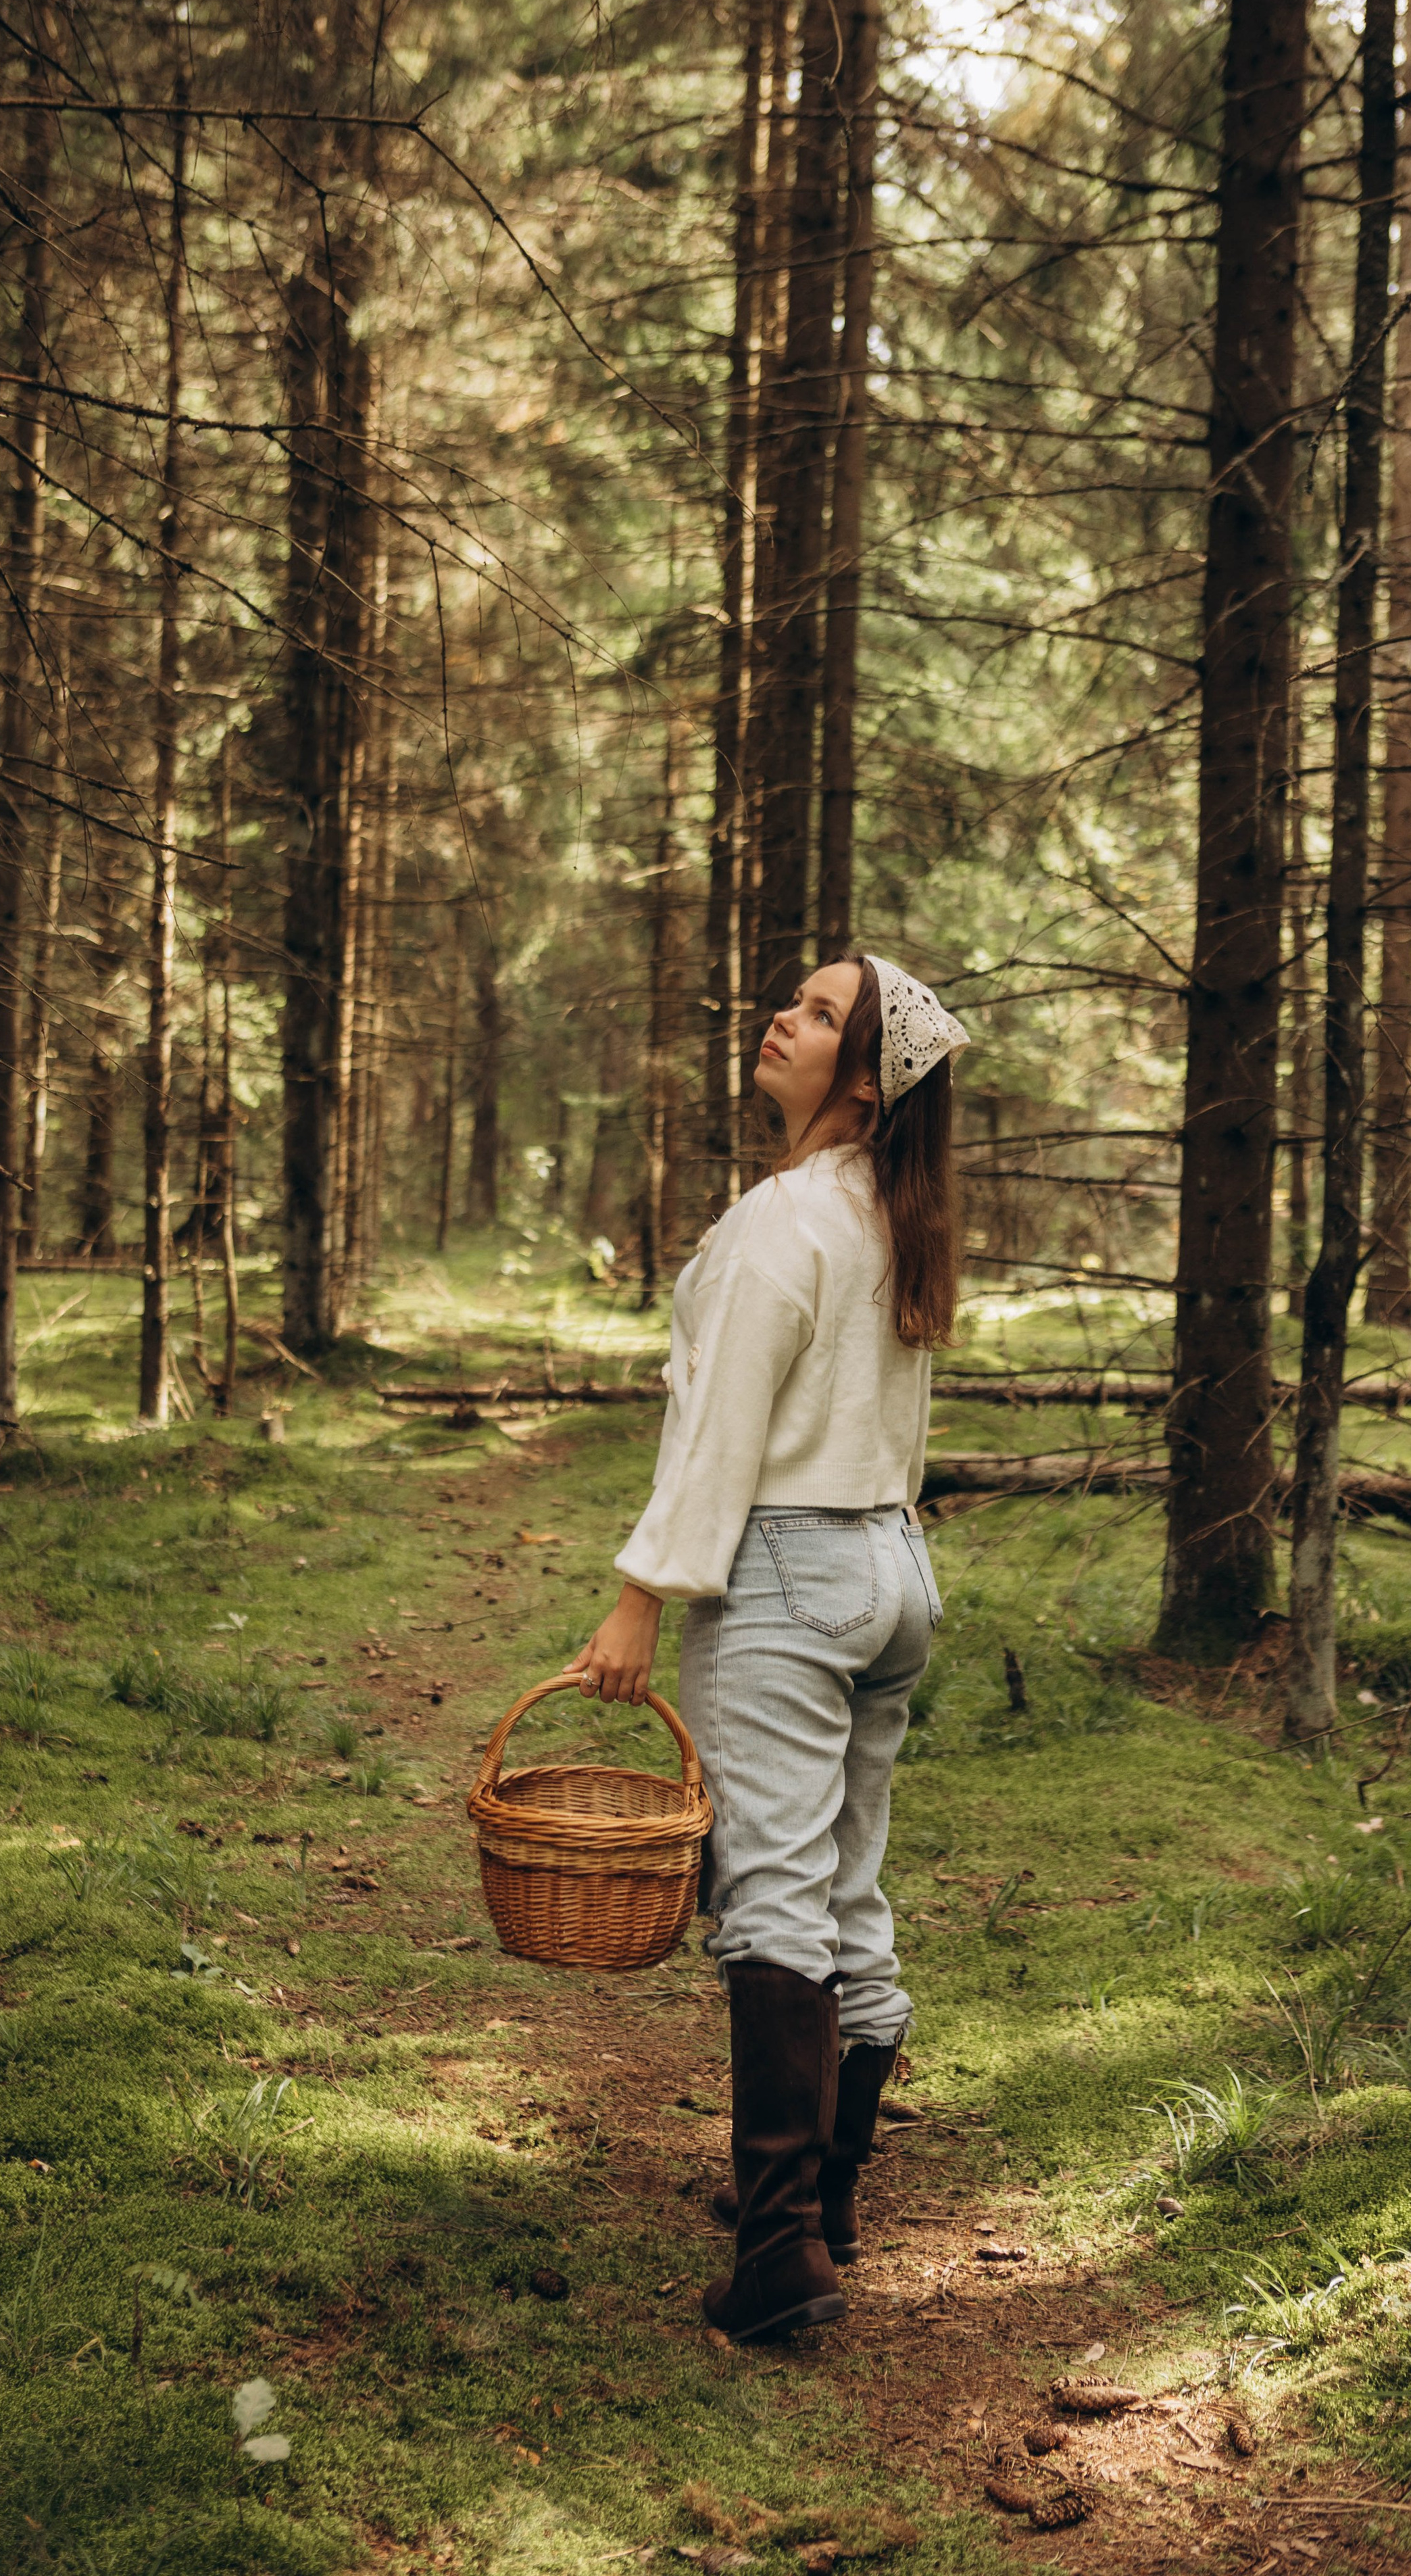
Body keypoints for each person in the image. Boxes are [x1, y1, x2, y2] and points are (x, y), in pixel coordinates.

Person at [566, 952, 968, 2345]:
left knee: (774, 1899)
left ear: (861, 1080)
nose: (777, 1019)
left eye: (810, 1013)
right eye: (789, 1000)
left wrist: (640, 1593)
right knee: (846, 1889)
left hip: (792, 1576)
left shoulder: (781, 1222)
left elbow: (718, 1435)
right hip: (890, 1570)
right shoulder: (893, 1212)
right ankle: (822, 2205)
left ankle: (781, 2254)